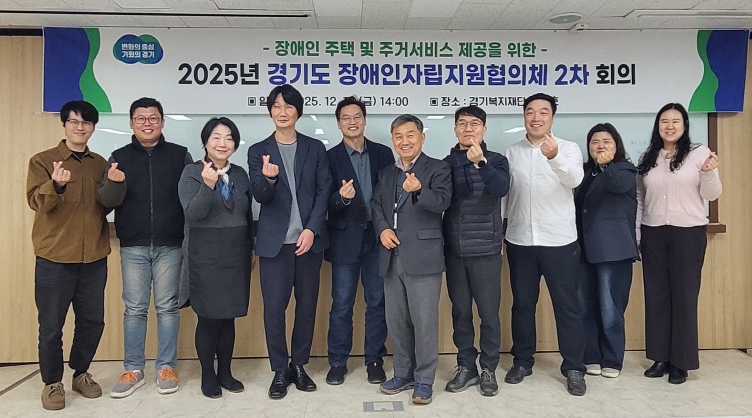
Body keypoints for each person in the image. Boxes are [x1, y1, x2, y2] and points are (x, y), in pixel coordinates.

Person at [98, 97, 192, 398]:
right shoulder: (118, 157)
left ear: (162, 122)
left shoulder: (180, 155)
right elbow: (106, 202)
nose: (147, 123)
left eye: (153, 118)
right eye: (140, 118)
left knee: (167, 308)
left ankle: (166, 367)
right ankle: (133, 370)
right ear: (131, 123)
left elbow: (190, 198)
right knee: (135, 309)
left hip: (170, 244)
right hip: (133, 245)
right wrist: (114, 183)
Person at [247, 84, 331, 399]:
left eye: (289, 106)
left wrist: (311, 228)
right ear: (270, 111)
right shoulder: (258, 150)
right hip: (275, 244)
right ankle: (279, 369)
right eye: (277, 106)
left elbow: (324, 190)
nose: (283, 112)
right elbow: (260, 195)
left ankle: (299, 365)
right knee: (274, 310)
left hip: (308, 242)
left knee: (307, 307)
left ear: (298, 111)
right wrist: (268, 178)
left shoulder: (315, 147)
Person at [26, 100, 111, 410]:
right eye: (74, 121)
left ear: (93, 127)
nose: (80, 127)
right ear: (64, 125)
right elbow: (36, 202)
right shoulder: (42, 161)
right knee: (51, 326)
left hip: (94, 258)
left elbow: (106, 204)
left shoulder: (100, 164)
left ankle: (81, 373)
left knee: (93, 321)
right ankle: (52, 382)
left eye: (86, 122)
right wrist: (56, 185)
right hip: (55, 257)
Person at [503, 93, 587, 396]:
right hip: (520, 240)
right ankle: (522, 361)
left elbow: (574, 180)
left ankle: (574, 367)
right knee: (522, 305)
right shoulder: (511, 152)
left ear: (552, 117)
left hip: (559, 241)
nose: (536, 117)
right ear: (524, 116)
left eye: (543, 112)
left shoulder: (569, 148)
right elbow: (505, 197)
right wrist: (499, 232)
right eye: (530, 112)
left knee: (567, 306)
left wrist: (554, 157)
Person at [637, 103, 722, 384]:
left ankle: (681, 363)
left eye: (676, 121)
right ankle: (660, 357)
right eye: (664, 121)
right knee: (656, 296)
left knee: (684, 297)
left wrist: (708, 172)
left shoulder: (699, 154)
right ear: (657, 126)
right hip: (653, 232)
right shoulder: (649, 157)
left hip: (688, 233)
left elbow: (712, 194)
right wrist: (637, 234)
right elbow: (640, 200)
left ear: (684, 125)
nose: (670, 126)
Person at [371, 114, 452, 405]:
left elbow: (442, 202)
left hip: (424, 256)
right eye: (398, 136)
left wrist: (419, 190)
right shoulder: (387, 172)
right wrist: (382, 229)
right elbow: (376, 204)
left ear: (421, 137)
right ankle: (402, 373)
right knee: (397, 321)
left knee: (424, 322)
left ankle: (424, 380)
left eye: (410, 135)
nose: (404, 141)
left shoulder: (439, 168)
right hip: (391, 255)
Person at [178, 117, 255, 398]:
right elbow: (193, 213)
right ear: (206, 142)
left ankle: (225, 372)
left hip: (236, 251)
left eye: (229, 138)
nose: (223, 143)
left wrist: (251, 248)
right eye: (216, 137)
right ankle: (207, 375)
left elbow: (246, 214)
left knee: (228, 317)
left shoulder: (240, 174)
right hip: (205, 253)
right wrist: (207, 186)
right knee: (209, 318)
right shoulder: (191, 172)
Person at [324, 96, 394, 385]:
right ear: (338, 123)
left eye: (357, 117)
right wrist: (341, 198)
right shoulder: (329, 157)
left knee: (377, 301)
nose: (352, 122)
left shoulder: (383, 153)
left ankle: (374, 359)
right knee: (342, 303)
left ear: (364, 120)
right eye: (346, 118)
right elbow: (321, 201)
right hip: (344, 239)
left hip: (378, 238)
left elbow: (391, 195)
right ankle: (337, 362)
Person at [442, 105, 509, 396]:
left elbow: (501, 188)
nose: (468, 128)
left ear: (484, 129)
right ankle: (466, 366)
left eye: (474, 124)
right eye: (462, 123)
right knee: (460, 312)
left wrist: (481, 162)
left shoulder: (497, 161)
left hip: (486, 249)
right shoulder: (445, 164)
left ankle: (488, 369)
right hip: (455, 250)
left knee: (489, 314)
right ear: (455, 129)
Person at [575, 123, 638, 379]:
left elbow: (617, 186)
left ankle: (612, 359)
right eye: (594, 142)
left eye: (606, 141)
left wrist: (607, 165)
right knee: (585, 307)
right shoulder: (584, 172)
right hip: (583, 250)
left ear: (616, 145)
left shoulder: (624, 170)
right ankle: (591, 356)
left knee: (610, 309)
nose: (600, 146)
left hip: (613, 251)